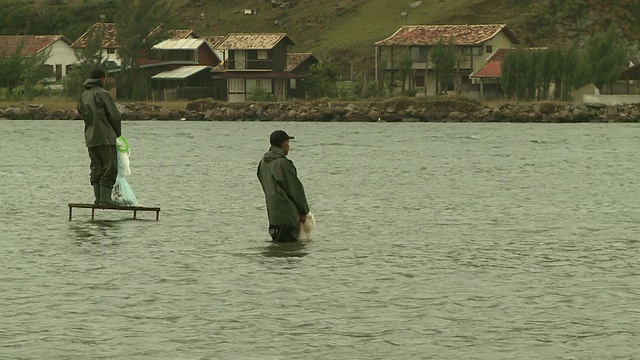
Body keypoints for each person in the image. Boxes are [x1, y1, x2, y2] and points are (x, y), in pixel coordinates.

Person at [77, 68, 121, 206]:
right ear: (102, 79)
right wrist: (117, 134)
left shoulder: (83, 95)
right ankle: (105, 198)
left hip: (90, 138)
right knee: (110, 166)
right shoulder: (103, 94)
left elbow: (80, 110)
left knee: (96, 167)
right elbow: (114, 116)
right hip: (105, 137)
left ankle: (98, 198)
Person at [257, 130, 310, 242]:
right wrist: (304, 210)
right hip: (289, 216)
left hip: (273, 215)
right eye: (287, 143)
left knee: (277, 250)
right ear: (282, 144)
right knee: (291, 252)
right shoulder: (283, 163)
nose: (288, 147)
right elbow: (295, 189)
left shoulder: (263, 162)